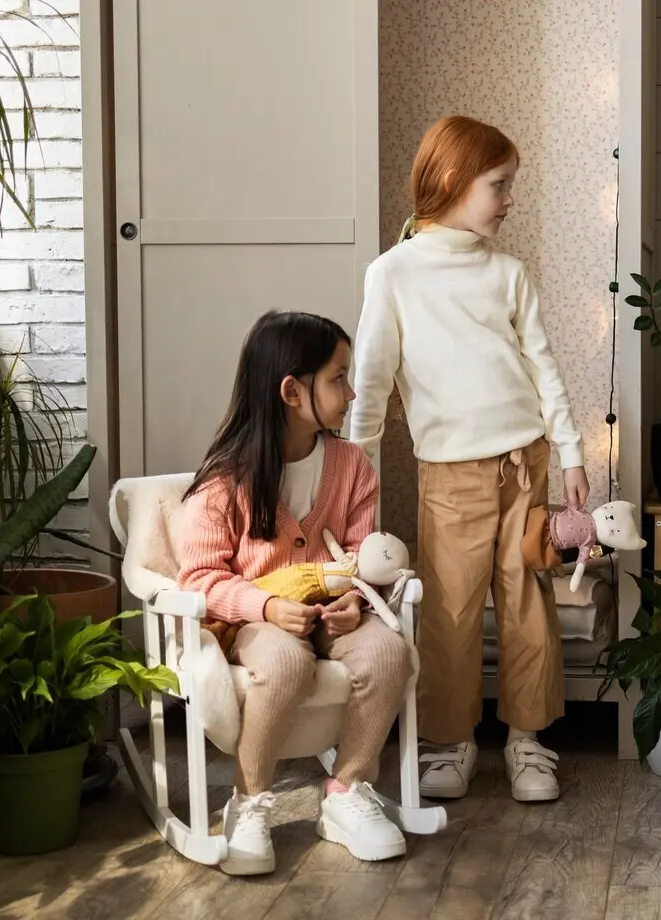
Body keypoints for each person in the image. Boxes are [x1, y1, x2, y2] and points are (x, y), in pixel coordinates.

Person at [349, 115, 587, 804]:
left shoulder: (509, 275)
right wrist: (355, 478)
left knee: (527, 600)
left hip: (524, 465)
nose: (510, 200)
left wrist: (570, 454)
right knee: (449, 611)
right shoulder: (392, 274)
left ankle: (527, 740)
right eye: (500, 185)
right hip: (448, 475)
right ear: (453, 181)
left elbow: (545, 370)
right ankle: (452, 741)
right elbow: (371, 381)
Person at [177, 310, 414, 875]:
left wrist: (354, 600)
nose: (352, 391)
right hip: (257, 619)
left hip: (335, 615)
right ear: (291, 391)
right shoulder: (225, 479)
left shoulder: (353, 465)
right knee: (284, 663)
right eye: (337, 377)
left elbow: (361, 555)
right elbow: (199, 579)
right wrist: (264, 607)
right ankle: (249, 798)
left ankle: (346, 791)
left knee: (388, 652)